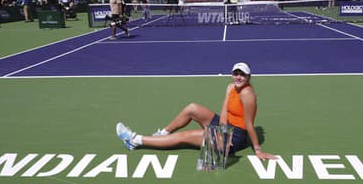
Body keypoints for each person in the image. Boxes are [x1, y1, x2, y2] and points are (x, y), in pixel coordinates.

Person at [115, 62, 276, 161]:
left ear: (249, 77)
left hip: (235, 139)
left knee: (185, 136)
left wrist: (258, 150)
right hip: (225, 129)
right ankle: (162, 134)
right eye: (236, 73)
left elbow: (249, 124)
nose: (238, 77)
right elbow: (224, 113)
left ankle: (134, 140)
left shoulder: (248, 94)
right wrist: (221, 130)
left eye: (243, 75)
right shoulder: (230, 87)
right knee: (192, 108)